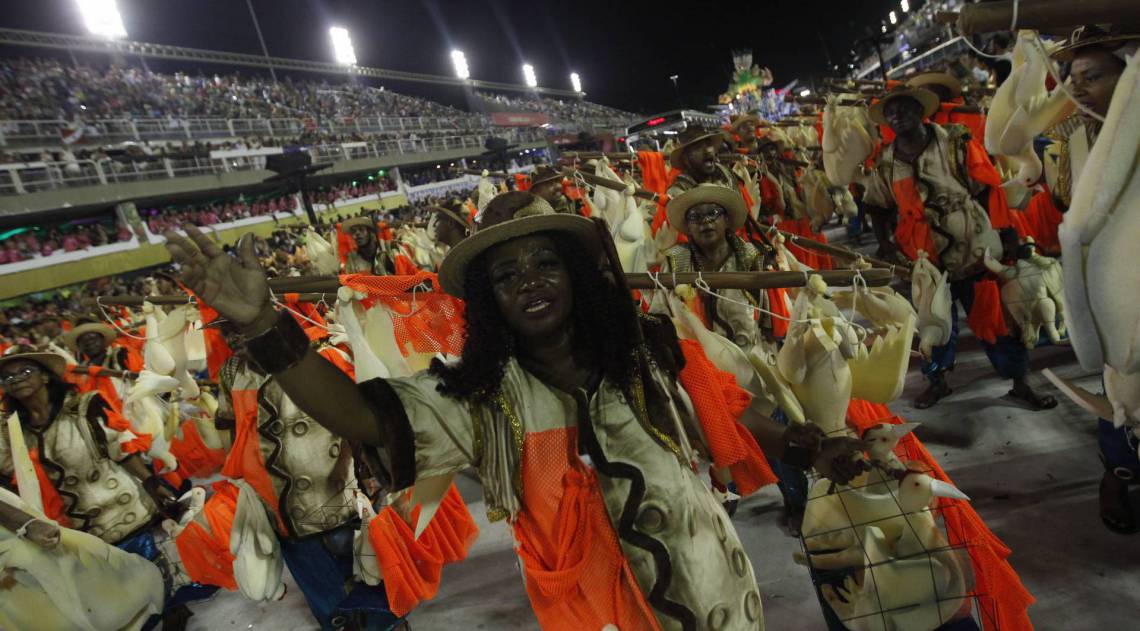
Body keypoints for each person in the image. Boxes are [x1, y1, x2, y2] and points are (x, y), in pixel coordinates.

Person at [164, 193, 868, 631]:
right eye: (506, 274)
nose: (528, 282)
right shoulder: (480, 401)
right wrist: (263, 325)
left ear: (576, 272)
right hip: (594, 613)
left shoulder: (644, 349)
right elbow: (367, 418)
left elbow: (716, 419)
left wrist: (806, 446)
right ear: (487, 301)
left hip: (714, 587)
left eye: (544, 263)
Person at [860, 85, 1056, 411]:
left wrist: (1006, 232)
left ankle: (1021, 381)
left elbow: (987, 188)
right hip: (923, 258)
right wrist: (884, 243)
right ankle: (937, 382)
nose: (898, 117)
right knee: (933, 325)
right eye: (891, 113)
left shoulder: (955, 141)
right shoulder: (885, 161)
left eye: (904, 109)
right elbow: (877, 206)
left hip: (975, 244)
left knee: (998, 317)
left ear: (920, 111)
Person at [214, 324, 406, 630]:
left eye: (241, 329)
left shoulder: (316, 356)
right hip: (280, 506)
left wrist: (370, 473)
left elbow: (360, 417)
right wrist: (242, 480)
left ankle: (385, 624)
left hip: (335, 492)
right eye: (226, 331)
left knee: (365, 571)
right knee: (322, 588)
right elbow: (229, 425)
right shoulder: (231, 372)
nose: (234, 339)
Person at [0, 346, 201, 628]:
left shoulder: (84, 408)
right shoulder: (12, 433)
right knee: (117, 584)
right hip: (75, 525)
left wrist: (153, 483)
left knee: (154, 573)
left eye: (25, 371)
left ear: (45, 377)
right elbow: (9, 474)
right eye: (7, 377)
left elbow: (122, 448)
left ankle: (171, 612)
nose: (16, 379)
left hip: (122, 507)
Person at [1043, 25, 1140, 535]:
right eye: (1072, 77)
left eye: (1093, 76)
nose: (1076, 89)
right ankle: (1117, 477)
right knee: (1120, 388)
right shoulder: (1073, 142)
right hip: (1110, 289)